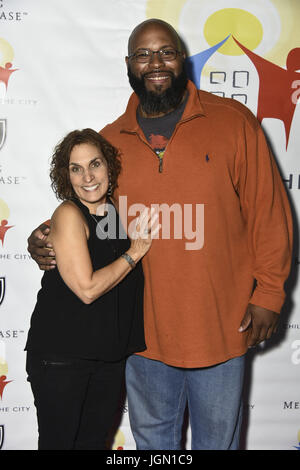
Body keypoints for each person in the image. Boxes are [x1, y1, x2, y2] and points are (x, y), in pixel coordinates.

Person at [27, 20, 293, 450]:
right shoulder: (111, 142)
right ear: (129, 65)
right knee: (154, 448)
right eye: (143, 55)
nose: (156, 63)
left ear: (181, 58)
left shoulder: (233, 123)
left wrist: (269, 296)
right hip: (142, 336)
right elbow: (91, 215)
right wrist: (43, 237)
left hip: (221, 329)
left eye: (165, 52)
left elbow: (268, 213)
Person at [25, 128, 158, 450]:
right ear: (65, 176)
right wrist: (135, 252)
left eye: (94, 164)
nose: (87, 176)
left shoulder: (115, 212)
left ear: (109, 167)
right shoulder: (68, 214)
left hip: (108, 357)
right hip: (62, 358)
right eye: (76, 168)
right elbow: (86, 289)